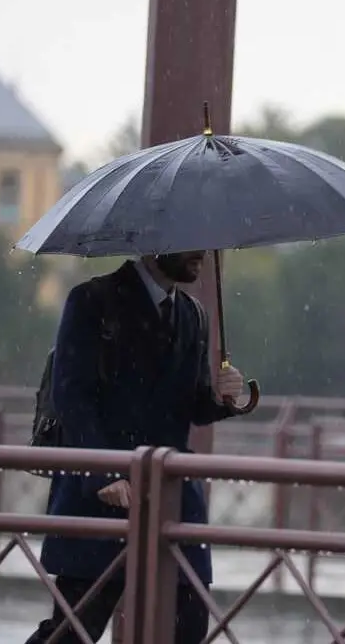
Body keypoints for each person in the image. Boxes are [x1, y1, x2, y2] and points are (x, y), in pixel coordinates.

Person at [26, 251, 250, 644]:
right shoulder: (93, 301)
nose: (200, 252)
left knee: (188, 625)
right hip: (105, 495)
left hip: (170, 495)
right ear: (153, 243)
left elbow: (192, 405)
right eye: (187, 240)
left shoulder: (192, 314)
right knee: (74, 630)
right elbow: (71, 397)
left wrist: (225, 399)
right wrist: (104, 472)